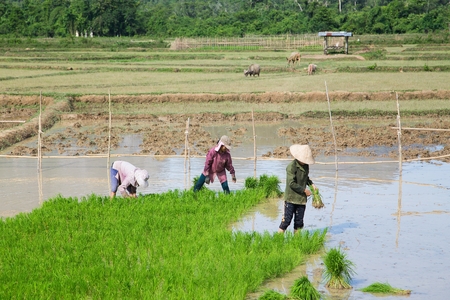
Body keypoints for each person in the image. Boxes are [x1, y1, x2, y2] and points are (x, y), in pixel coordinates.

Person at [278, 144, 317, 234]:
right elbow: (291, 183)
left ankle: (296, 241)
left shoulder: (306, 166)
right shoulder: (291, 167)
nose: (305, 161)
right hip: (291, 197)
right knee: (286, 220)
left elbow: (306, 178)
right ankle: (278, 239)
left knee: (299, 222)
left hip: (301, 199)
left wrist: (312, 184)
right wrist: (304, 190)